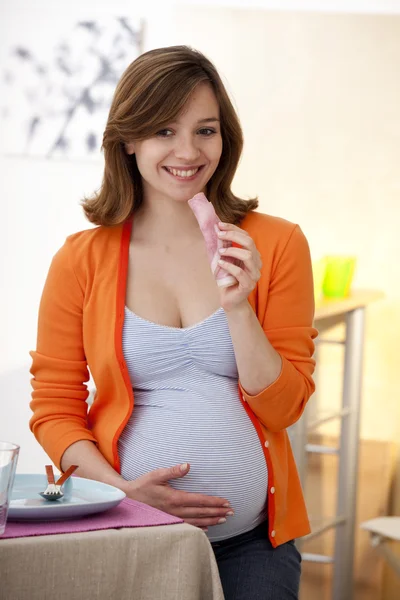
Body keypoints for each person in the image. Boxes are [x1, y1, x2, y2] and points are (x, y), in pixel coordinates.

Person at [30, 45, 318, 599]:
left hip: (252, 546)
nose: (188, 151)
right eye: (164, 130)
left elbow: (285, 407)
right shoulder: (80, 259)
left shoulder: (277, 243)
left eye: (205, 130)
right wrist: (123, 491)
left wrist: (239, 307)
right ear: (129, 139)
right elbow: (55, 408)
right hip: (129, 532)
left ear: (225, 138)